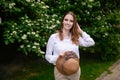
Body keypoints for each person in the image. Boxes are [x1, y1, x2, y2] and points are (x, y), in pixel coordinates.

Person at [45, 11, 95, 80]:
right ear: (62, 21)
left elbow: (91, 42)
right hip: (60, 72)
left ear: (74, 24)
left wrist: (80, 31)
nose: (68, 23)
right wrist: (58, 57)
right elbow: (47, 56)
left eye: (71, 21)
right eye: (66, 20)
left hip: (74, 71)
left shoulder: (75, 37)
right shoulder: (54, 37)